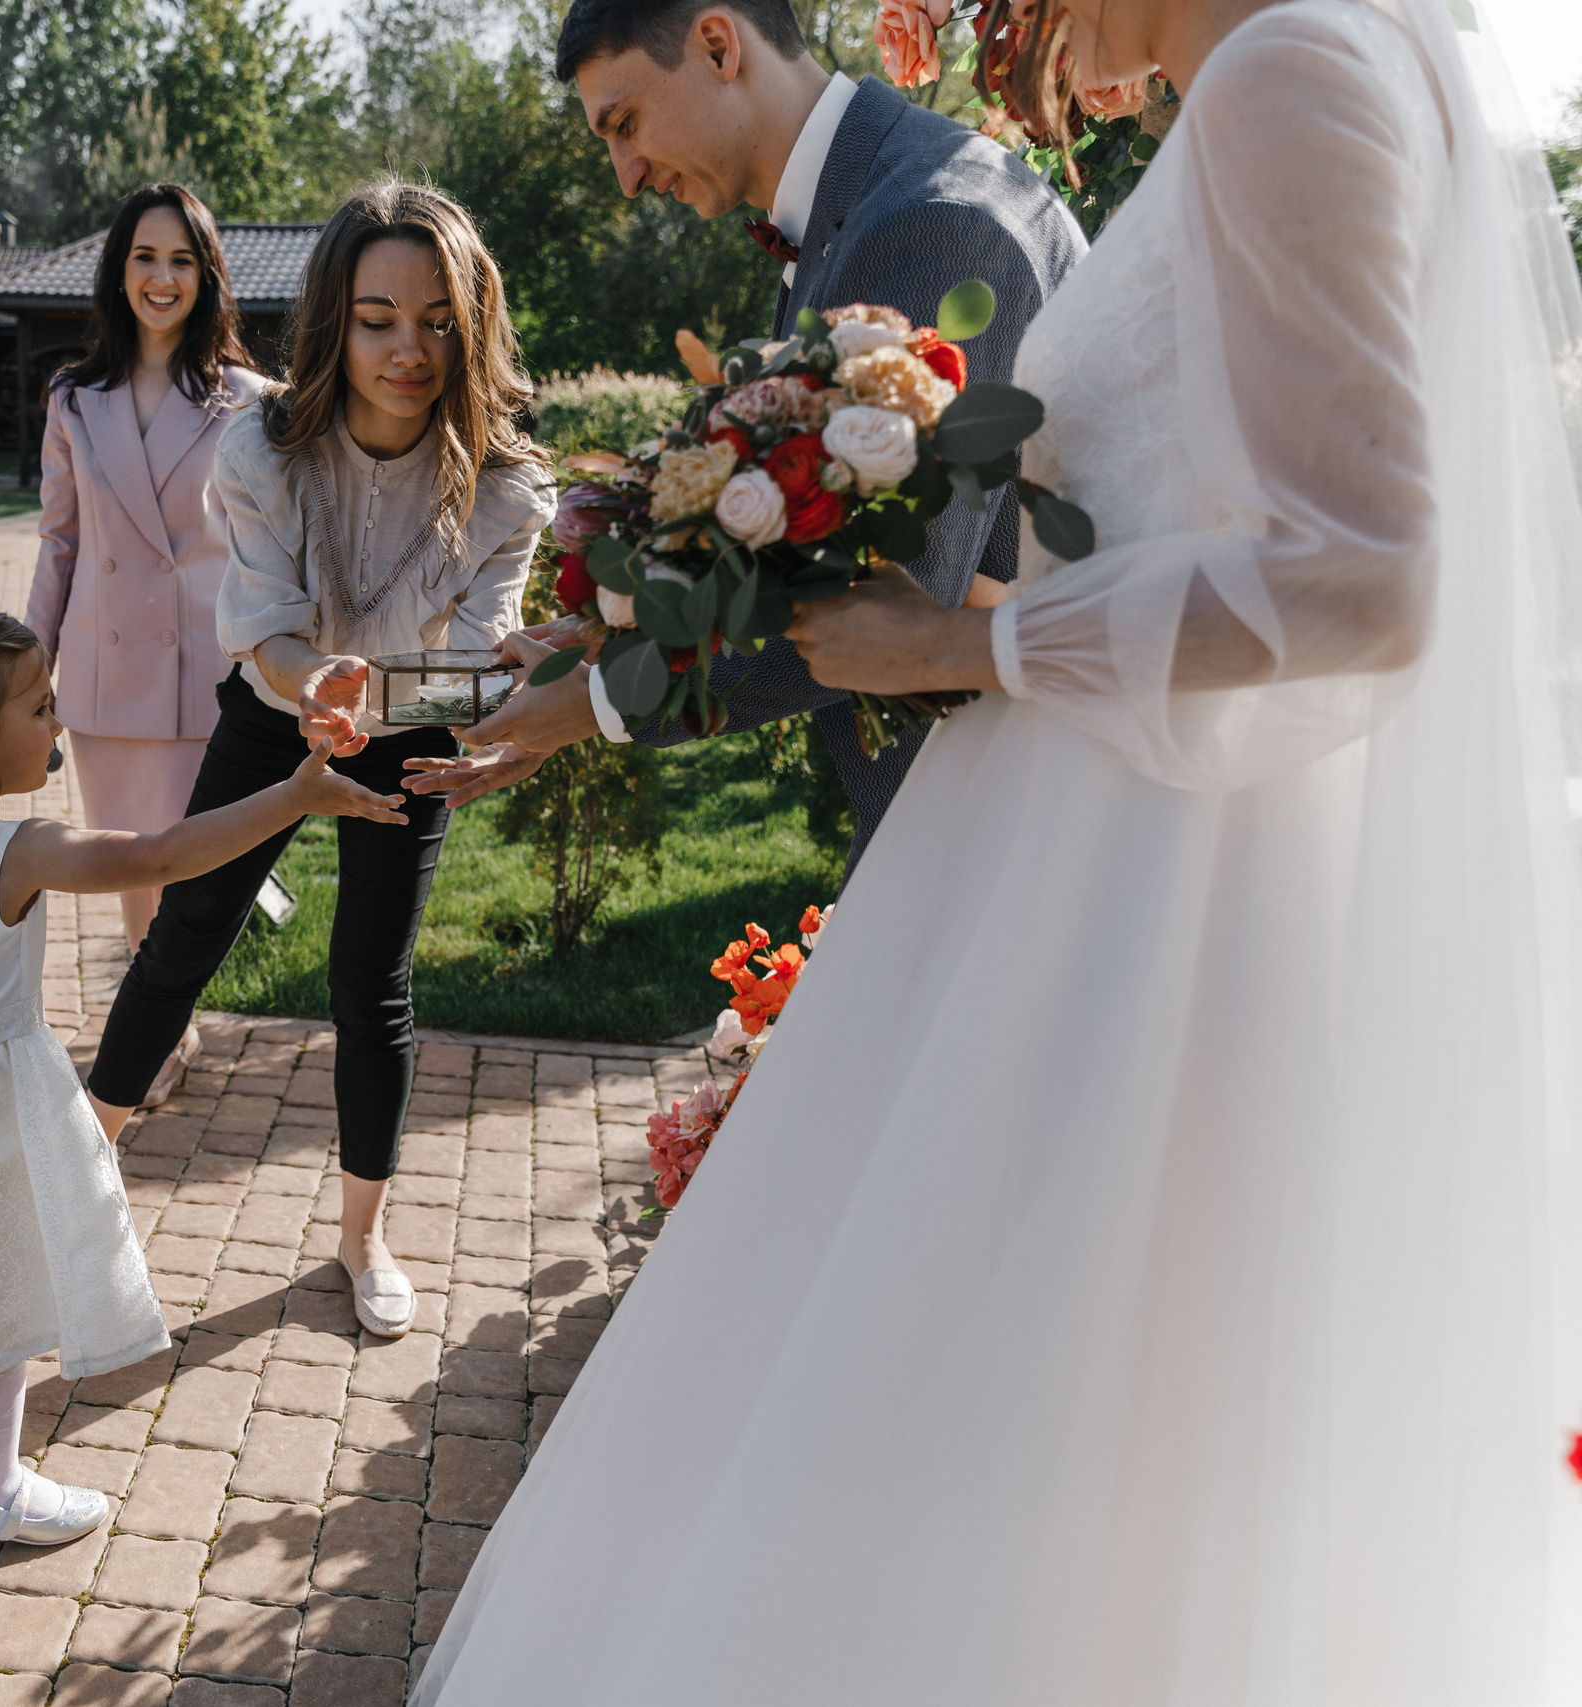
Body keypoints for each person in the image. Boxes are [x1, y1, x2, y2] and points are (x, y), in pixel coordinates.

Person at [414, 0, 1582, 1695]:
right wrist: (614, 646)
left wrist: (975, 648)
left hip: (1150, 891)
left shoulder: (1289, 69)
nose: (985, 17)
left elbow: (1371, 580)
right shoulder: (1309, 67)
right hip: (1135, 855)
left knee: (987, 1414)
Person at [0, 608, 405, 1552]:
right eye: (40, 707)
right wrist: (294, 796)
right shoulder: (20, 851)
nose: (57, 724)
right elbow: (163, 856)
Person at [404, 0, 1085, 879]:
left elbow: (887, 602)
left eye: (625, 122)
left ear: (718, 44)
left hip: (1018, 835)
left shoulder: (931, 217)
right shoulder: (871, 201)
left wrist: (604, 701)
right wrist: (606, 636)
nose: (625, 175)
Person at [80, 183, 556, 1338]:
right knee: (182, 939)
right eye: (378, 317)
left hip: (416, 737)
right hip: (271, 713)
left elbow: (486, 669)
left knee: (370, 979)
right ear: (333, 322)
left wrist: (392, 700)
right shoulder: (262, 449)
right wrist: (318, 689)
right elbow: (264, 623)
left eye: (439, 319)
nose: (410, 349)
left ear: (475, 322)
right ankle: (66, 1193)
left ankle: (361, 1239)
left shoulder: (507, 486)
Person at [27, 184, 272, 1013]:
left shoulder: (250, 401)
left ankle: (160, 1017)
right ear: (119, 271)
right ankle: (160, 1025)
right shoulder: (71, 398)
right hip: (108, 674)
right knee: (133, 861)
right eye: (145, 258)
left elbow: (277, 541)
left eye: (181, 260)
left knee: (188, 864)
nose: (162, 278)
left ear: (205, 276)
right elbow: (59, 542)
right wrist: (30, 670)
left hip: (204, 666)